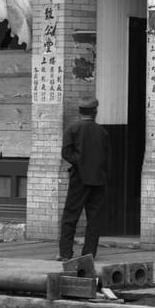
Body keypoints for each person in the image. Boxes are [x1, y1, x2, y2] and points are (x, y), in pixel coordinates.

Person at [58, 98, 110, 264]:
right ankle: (89, 253)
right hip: (98, 180)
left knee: (70, 216)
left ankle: (65, 253)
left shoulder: (72, 129)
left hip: (78, 178)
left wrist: (79, 162)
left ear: (79, 112)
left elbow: (66, 153)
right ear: (95, 112)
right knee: (94, 219)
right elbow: (107, 157)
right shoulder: (102, 132)